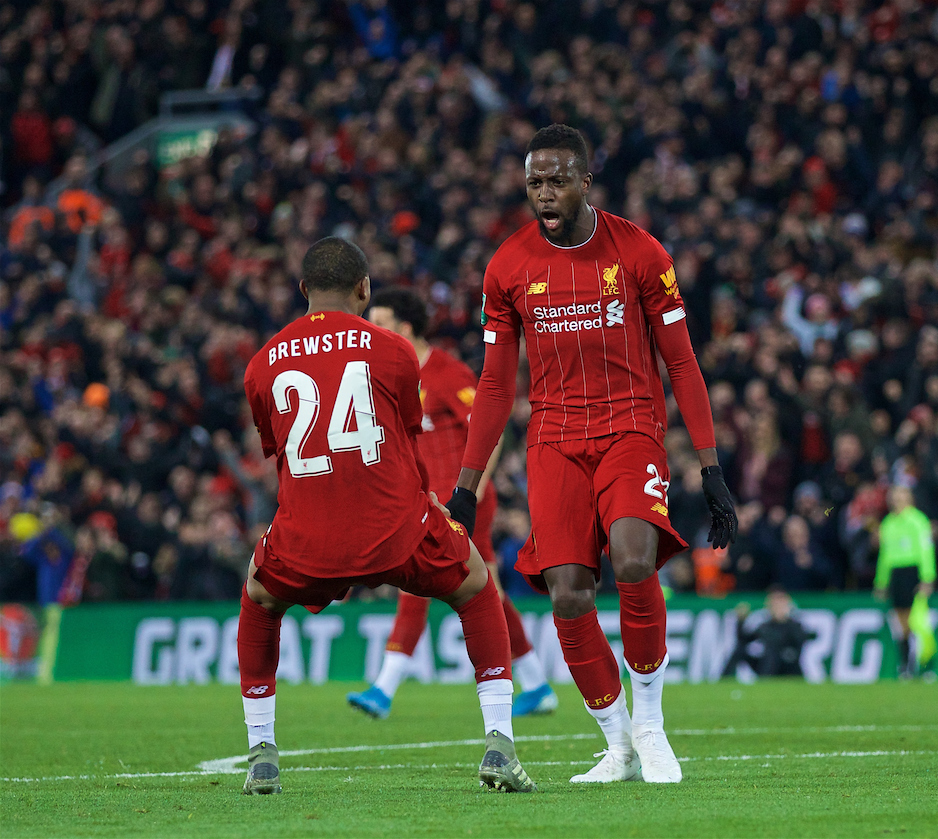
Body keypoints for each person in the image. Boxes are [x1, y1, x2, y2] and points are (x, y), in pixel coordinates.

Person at [445, 125, 738, 784]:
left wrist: (709, 464)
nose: (544, 193)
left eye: (556, 180)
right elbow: (495, 383)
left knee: (635, 560)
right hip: (552, 439)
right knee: (569, 593)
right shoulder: (507, 266)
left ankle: (652, 725)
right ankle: (617, 745)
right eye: (534, 182)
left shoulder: (639, 252)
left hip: (631, 427)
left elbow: (682, 360)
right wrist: (466, 484)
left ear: (584, 180)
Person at [237, 237, 536, 794]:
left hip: (308, 536)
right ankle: (499, 741)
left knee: (258, 598)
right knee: (475, 582)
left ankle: (261, 751)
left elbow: (276, 449)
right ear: (364, 289)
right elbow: (404, 429)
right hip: (397, 529)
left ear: (303, 291)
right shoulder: (394, 350)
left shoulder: (261, 365)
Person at [346, 287, 557, 719]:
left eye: (380, 324)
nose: (372, 331)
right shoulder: (392, 374)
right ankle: (535, 682)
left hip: (461, 502)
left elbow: (490, 429)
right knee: (486, 591)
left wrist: (471, 493)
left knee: (417, 583)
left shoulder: (445, 373)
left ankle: (384, 688)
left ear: (405, 328)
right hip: (425, 501)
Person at [873, 485, 936, 679]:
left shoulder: (918, 521)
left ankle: (927, 665)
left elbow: (926, 550)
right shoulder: (888, 523)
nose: (897, 500)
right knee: (900, 623)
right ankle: (906, 665)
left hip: (913, 571)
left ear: (909, 498)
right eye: (894, 496)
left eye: (901, 496)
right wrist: (881, 582)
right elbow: (885, 556)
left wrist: (927, 577)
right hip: (895, 574)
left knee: (917, 621)